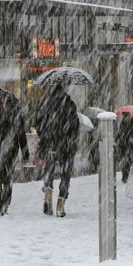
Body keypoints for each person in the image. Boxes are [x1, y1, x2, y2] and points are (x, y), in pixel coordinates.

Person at [35, 84, 79, 217]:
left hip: (49, 143)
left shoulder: (44, 102)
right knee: (65, 174)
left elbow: (37, 122)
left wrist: (44, 135)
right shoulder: (70, 104)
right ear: (63, 90)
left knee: (48, 169)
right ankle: (61, 204)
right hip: (66, 145)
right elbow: (75, 126)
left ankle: (48, 192)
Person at [0, 97, 28, 215]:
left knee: (7, 180)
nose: (3, 105)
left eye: (5, 103)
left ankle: (5, 204)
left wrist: (25, 153)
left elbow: (21, 134)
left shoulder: (16, 116)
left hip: (10, 153)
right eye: (1, 102)